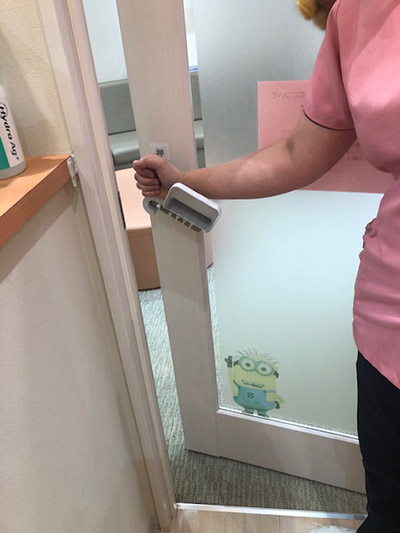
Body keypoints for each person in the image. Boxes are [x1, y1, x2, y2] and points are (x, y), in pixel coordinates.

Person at [134, 0, 400, 531]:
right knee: (390, 498)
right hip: (388, 315)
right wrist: (184, 182)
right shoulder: (355, 15)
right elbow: (297, 153)